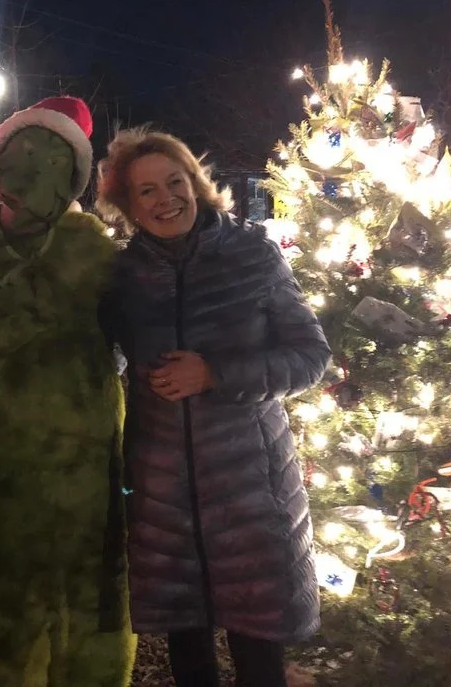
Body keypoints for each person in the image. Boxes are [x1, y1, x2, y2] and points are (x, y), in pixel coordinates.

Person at [96, 127, 331, 687]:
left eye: (174, 182)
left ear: (196, 184)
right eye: (145, 191)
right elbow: (90, 354)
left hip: (250, 490)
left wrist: (216, 375)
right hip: (163, 498)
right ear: (127, 204)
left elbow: (309, 355)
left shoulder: (252, 256)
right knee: (190, 654)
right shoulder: (121, 277)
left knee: (258, 655)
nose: (164, 199)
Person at [0, 96, 135, 686]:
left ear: (74, 177)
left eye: (54, 162)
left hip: (86, 487)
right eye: (23, 158)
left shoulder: (96, 259)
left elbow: (160, 321)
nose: (32, 177)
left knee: (90, 636)